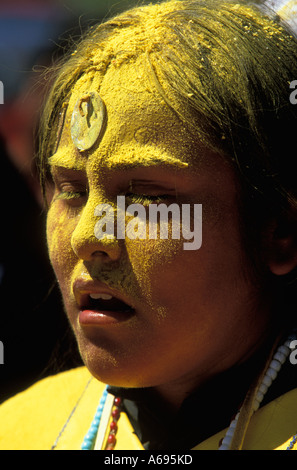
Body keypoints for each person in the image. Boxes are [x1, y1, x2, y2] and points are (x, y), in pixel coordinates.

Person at [0, 0, 297, 451]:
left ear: (280, 233)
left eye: (146, 197)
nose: (87, 237)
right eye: (71, 191)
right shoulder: (21, 429)